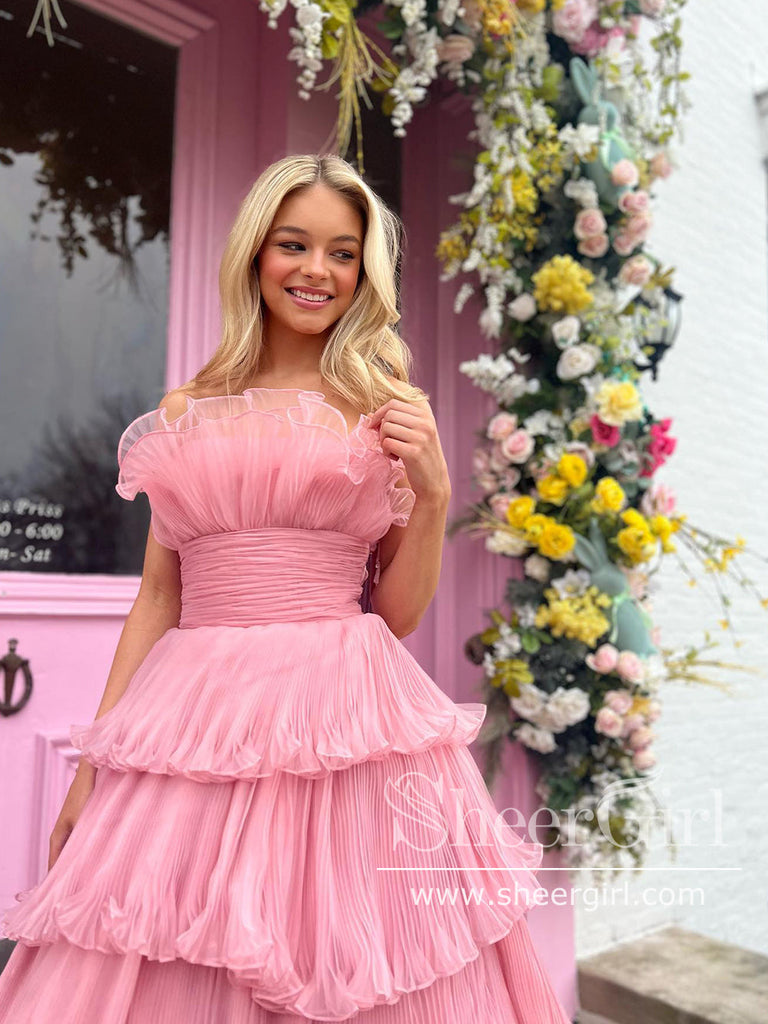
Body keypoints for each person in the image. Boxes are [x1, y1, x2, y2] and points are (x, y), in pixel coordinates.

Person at [0, 153, 571, 1022]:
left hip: (343, 721)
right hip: (197, 720)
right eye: (294, 244)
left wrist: (438, 493)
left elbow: (397, 614)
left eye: (343, 253)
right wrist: (93, 767)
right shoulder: (187, 408)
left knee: (354, 961)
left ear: (364, 271)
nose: (317, 271)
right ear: (255, 254)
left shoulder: (383, 406)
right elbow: (159, 596)